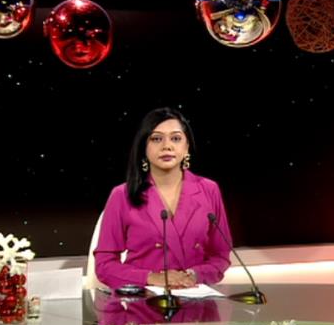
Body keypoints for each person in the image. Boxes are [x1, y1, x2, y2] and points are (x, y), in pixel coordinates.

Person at [94, 107, 232, 289]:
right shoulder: (121, 195)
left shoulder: (209, 189)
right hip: (143, 299)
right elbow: (104, 265)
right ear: (144, 147)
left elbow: (220, 255)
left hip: (196, 297)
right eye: (156, 139)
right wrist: (152, 278)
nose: (167, 146)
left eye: (176, 138)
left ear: (187, 147)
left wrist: (193, 276)